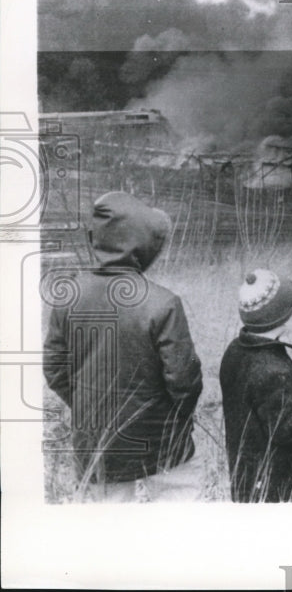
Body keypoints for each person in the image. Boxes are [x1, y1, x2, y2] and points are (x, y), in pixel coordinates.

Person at [44, 192, 204, 502]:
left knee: (110, 526)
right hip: (161, 437)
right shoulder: (163, 302)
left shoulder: (67, 296)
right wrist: (173, 418)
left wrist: (86, 406)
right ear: (144, 243)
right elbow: (184, 381)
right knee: (180, 510)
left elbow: (54, 369)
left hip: (96, 438)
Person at [219, 269, 292, 502]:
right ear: (281, 317)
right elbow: (288, 430)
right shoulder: (271, 369)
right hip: (276, 485)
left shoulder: (236, 350)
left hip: (249, 476)